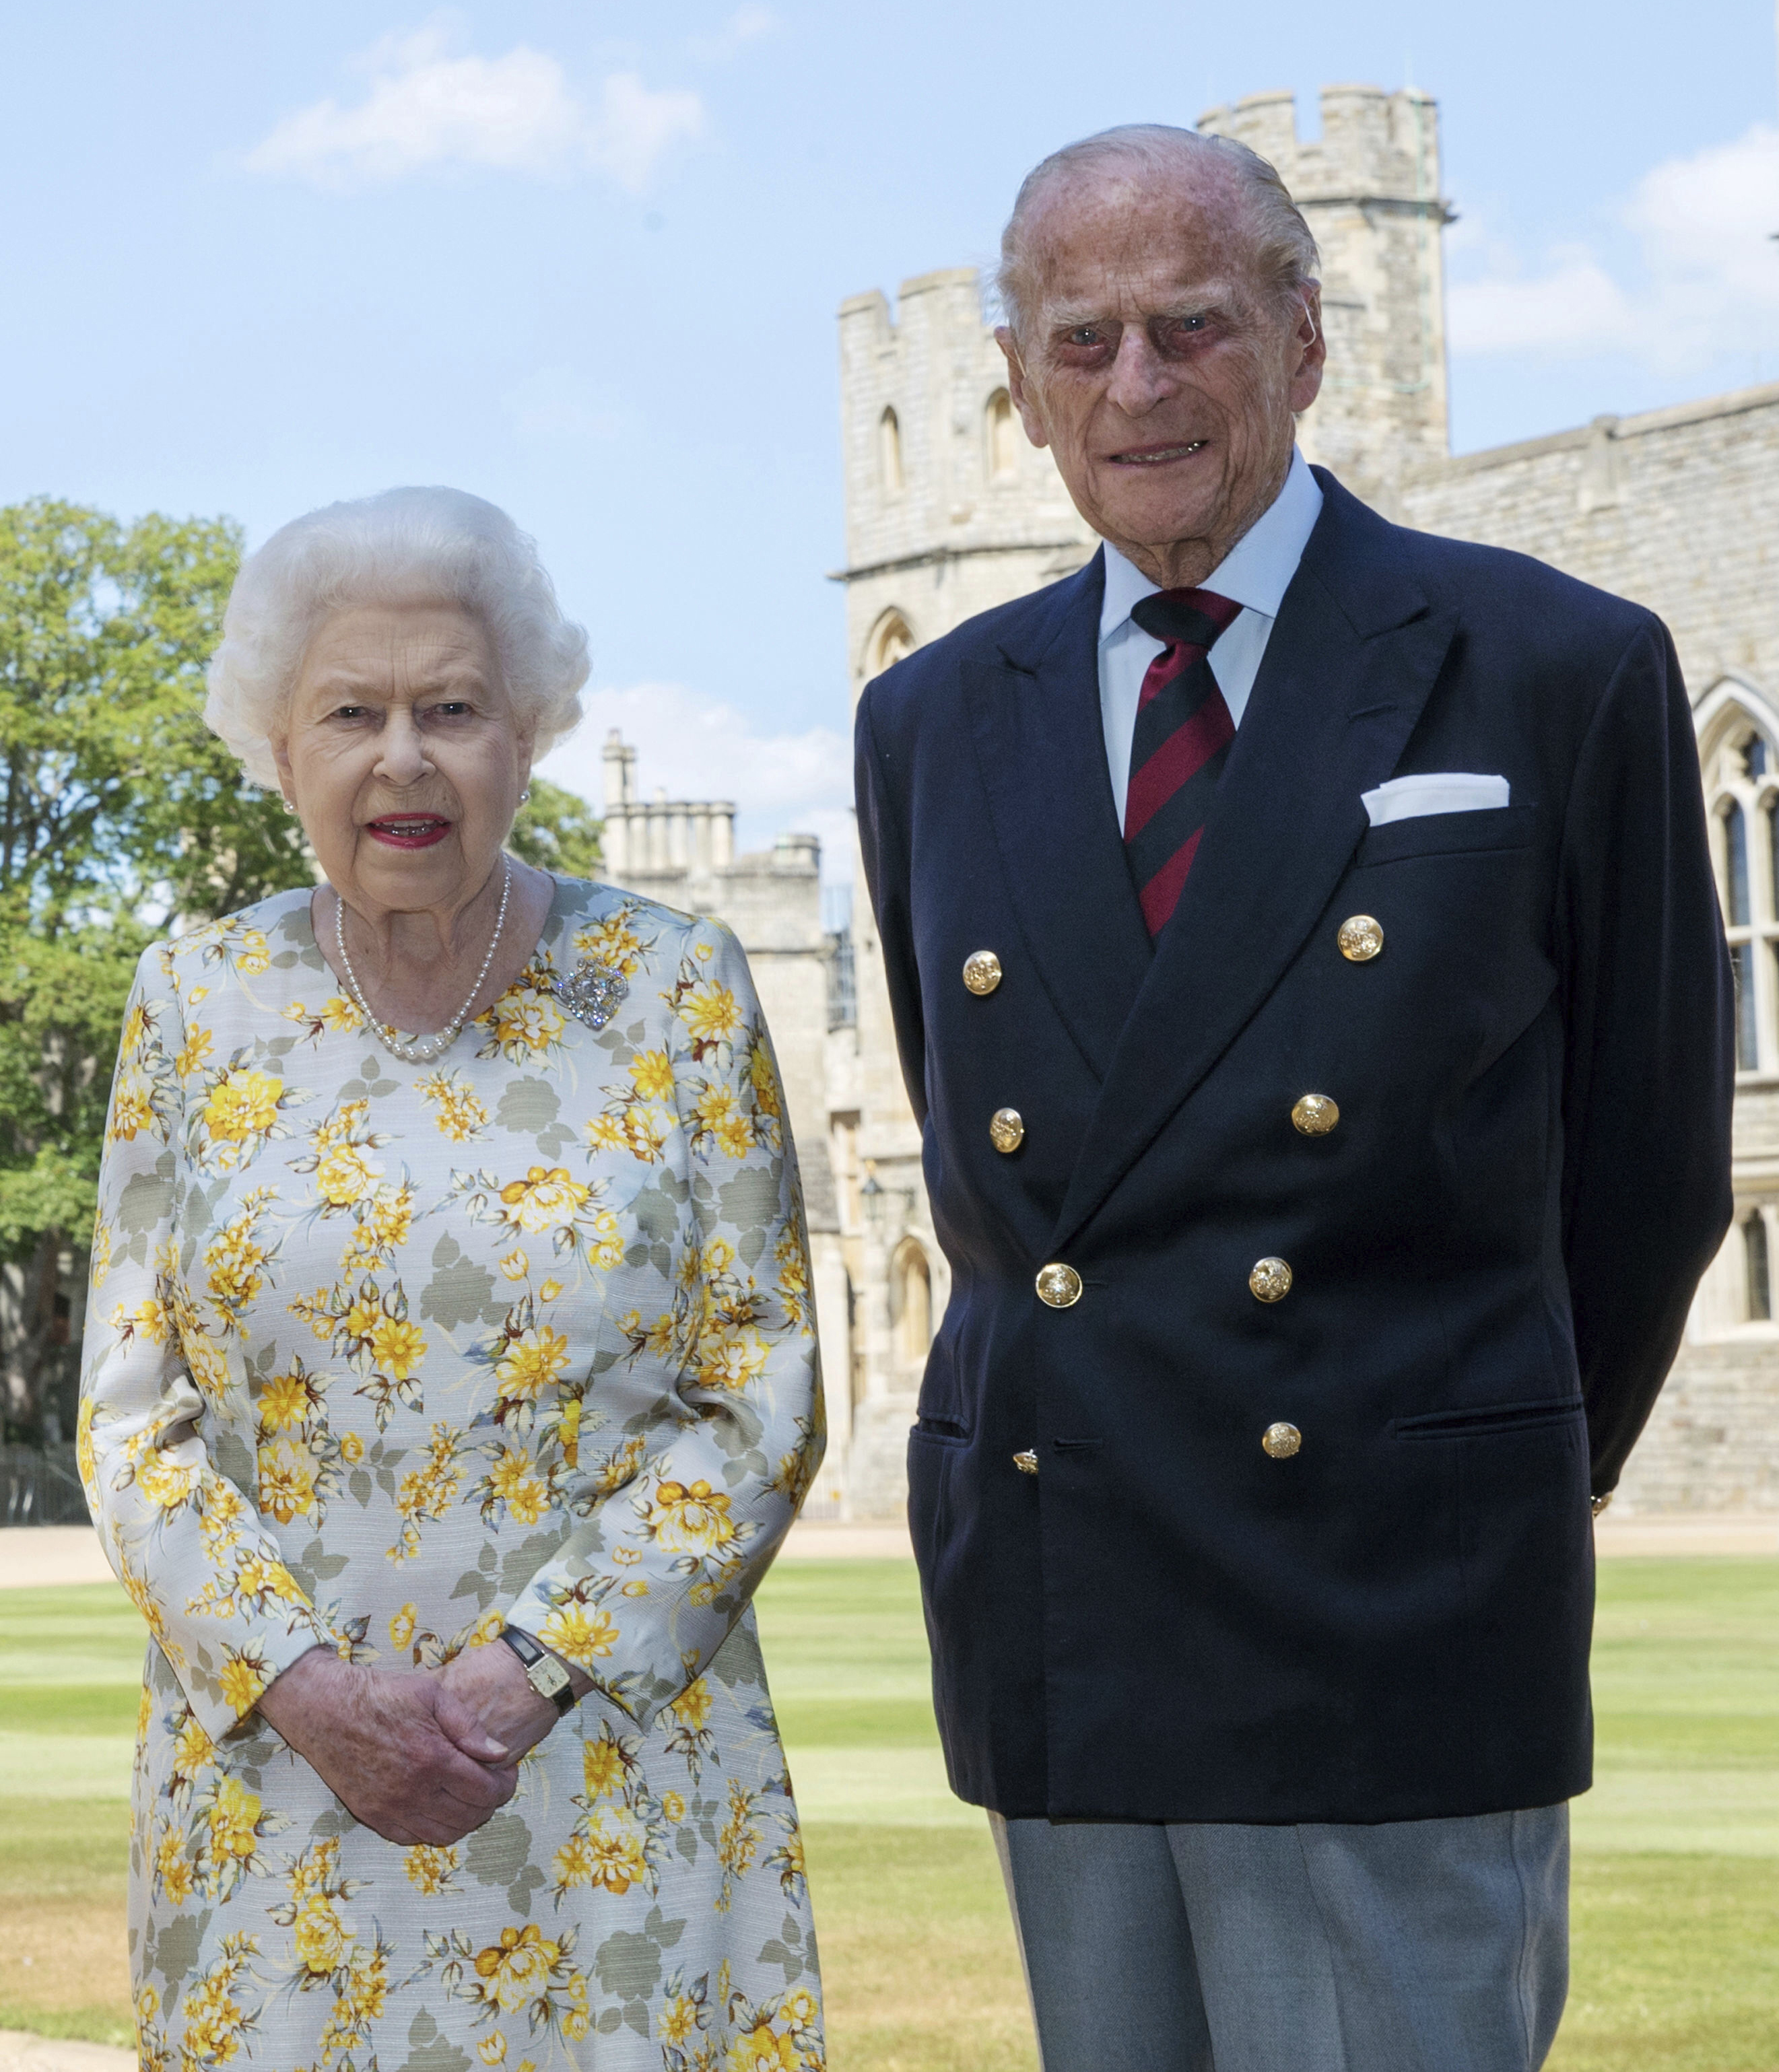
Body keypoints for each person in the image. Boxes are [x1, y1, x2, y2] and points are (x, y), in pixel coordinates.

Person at [854, 125, 1733, 2071]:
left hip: (1391, 1604)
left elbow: (1657, 1165)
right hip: (1070, 1598)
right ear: (1015, 387)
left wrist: (1460, 1459)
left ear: (1306, 342)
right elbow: (984, 1153)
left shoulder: (1548, 666)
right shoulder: (930, 716)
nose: (1137, 386)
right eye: (1079, 342)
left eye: (1191, 325)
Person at [79, 487, 826, 2071]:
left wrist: (532, 1668)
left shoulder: (677, 986)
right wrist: (305, 1690)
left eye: (454, 708)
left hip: (609, 1778)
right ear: (278, 747)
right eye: (351, 711)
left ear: (529, 737)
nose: (403, 757)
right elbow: (133, 1415)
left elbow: (760, 1387)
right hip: (281, 1794)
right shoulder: (193, 999)